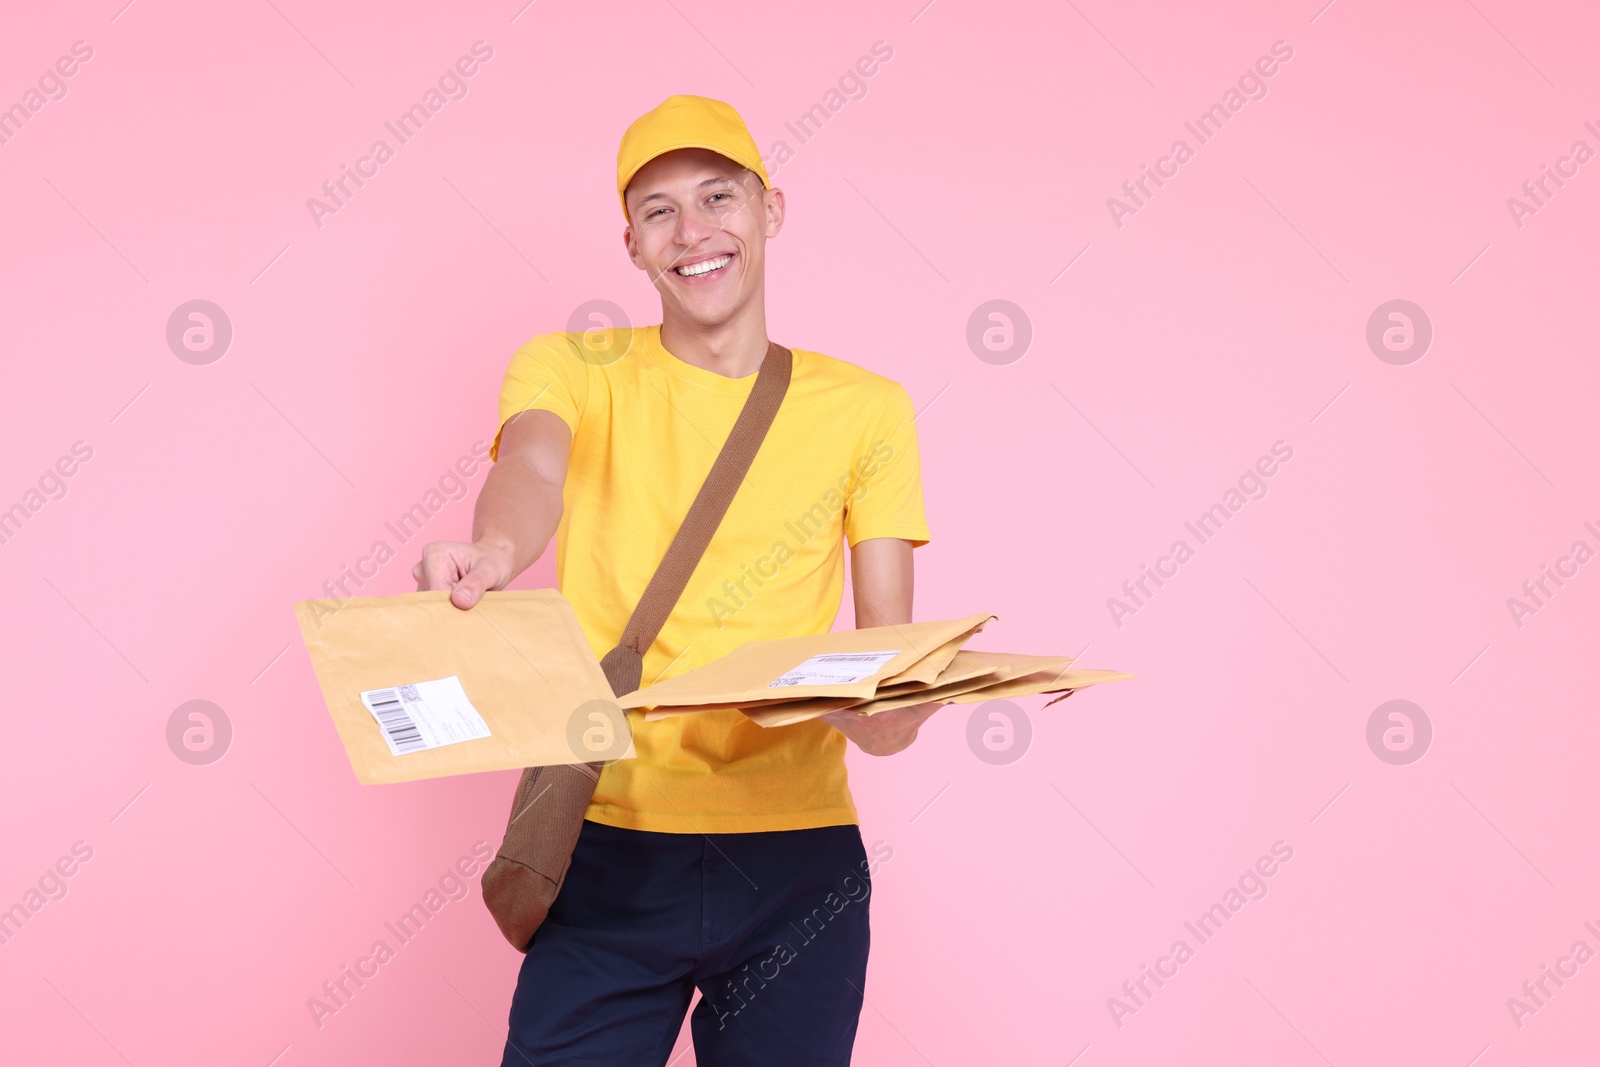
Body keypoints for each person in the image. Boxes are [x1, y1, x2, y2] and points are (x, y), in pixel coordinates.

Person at [414, 94, 942, 1067]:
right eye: (658, 211)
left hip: (798, 860)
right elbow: (530, 467)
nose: (692, 231)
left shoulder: (866, 410)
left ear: (770, 210)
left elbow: (884, 667)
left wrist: (895, 705)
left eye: (717, 197)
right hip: (610, 842)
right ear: (631, 246)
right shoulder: (576, 367)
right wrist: (493, 552)